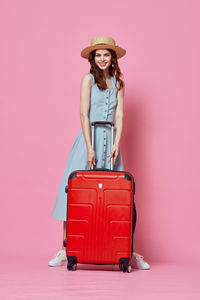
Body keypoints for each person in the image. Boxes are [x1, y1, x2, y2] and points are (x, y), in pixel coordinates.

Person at [48, 36, 150, 270]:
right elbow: (83, 114)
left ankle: (125, 249)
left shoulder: (119, 83)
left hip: (110, 142)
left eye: (106, 54)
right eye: (98, 55)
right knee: (73, 193)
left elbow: (121, 115)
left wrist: (117, 142)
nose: (102, 59)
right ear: (92, 58)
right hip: (88, 139)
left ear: (112, 57)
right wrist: (89, 146)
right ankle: (66, 248)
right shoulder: (87, 80)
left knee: (117, 199)